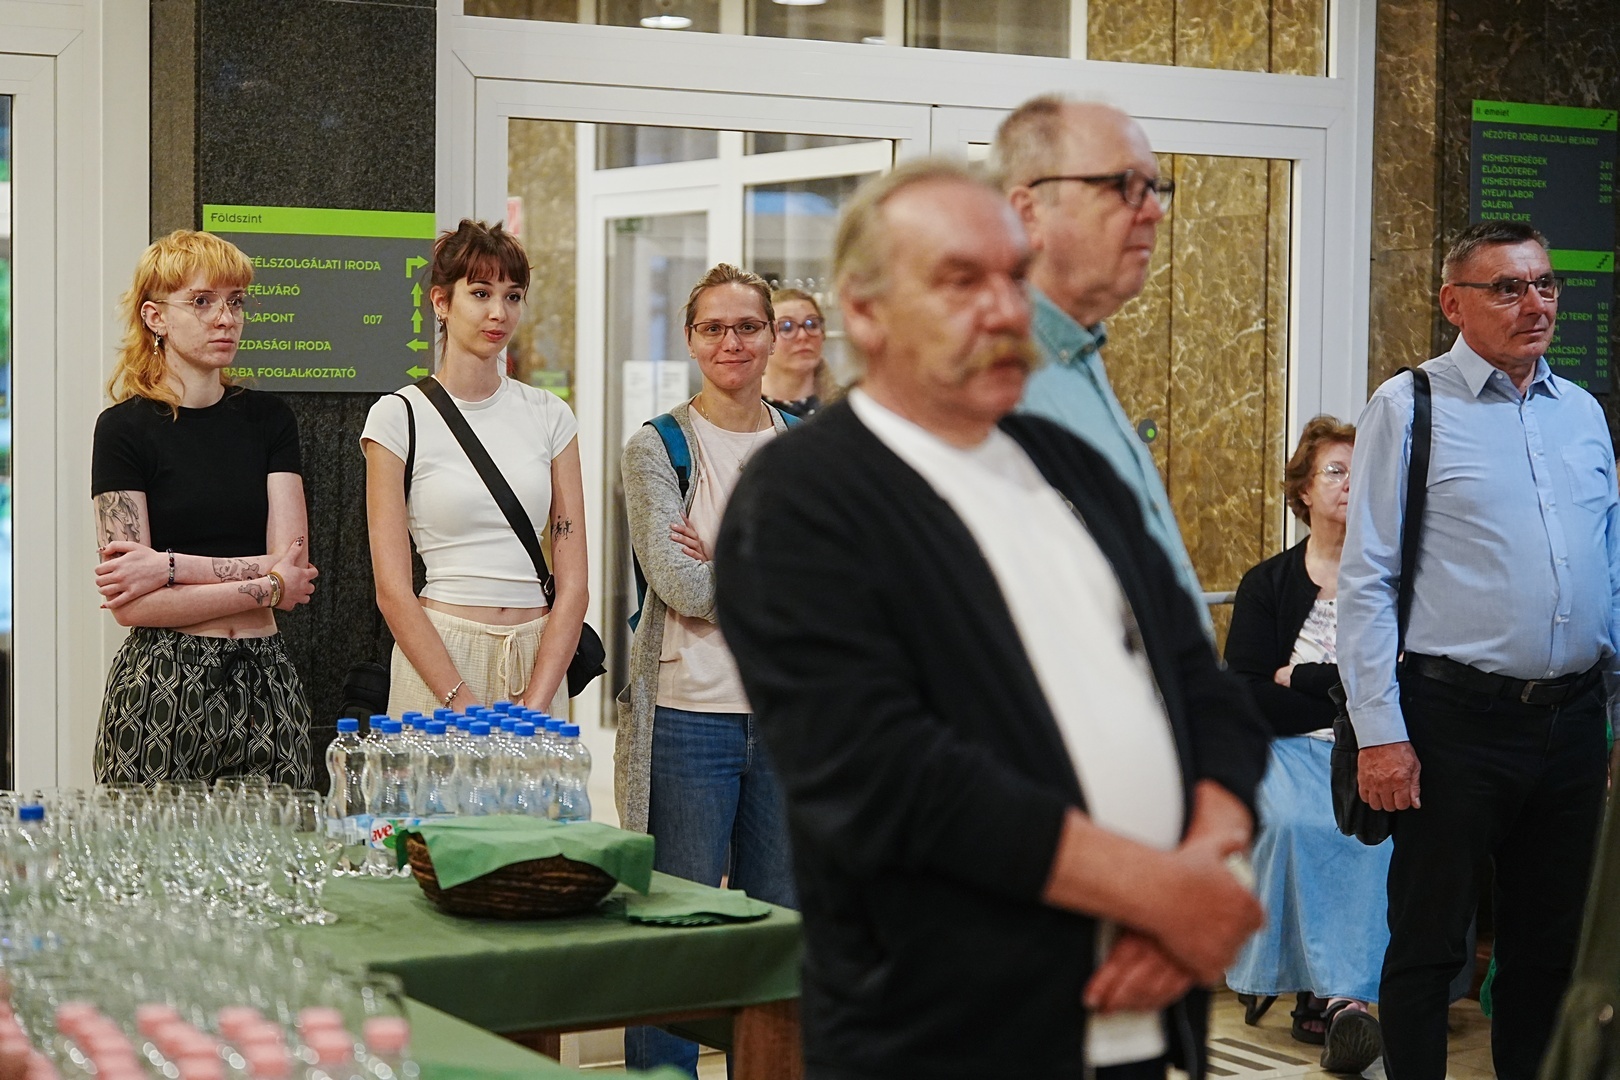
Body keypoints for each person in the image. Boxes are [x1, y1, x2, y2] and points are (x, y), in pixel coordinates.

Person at [713, 158, 1270, 1080]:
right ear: (866, 312)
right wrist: (1164, 895)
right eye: (961, 280)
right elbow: (889, 776)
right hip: (946, 1035)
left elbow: (1199, 684)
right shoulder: (801, 499)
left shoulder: (1069, 464)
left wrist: (1210, 868)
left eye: (1014, 276)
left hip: (1142, 1020)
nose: (1006, 309)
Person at [1338, 219, 1620, 1080]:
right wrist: (1381, 734)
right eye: (1507, 288)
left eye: (1544, 284)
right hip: (1453, 721)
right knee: (1429, 947)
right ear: (1452, 303)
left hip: (1573, 723)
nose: (1535, 304)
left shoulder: (1583, 413)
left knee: (1547, 950)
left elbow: (1608, 568)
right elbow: (1367, 579)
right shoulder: (1409, 406)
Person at [616, 263, 799, 1076]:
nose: (732, 342)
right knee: (675, 937)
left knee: (778, 936)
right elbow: (679, 584)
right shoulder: (657, 448)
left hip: (791, 724)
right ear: (691, 340)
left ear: (772, 336)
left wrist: (721, 557)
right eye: (714, 328)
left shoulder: (806, 446)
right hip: (688, 719)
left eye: (747, 326)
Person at [90, 229, 318, 785]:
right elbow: (132, 605)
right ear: (155, 317)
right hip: (161, 683)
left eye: (235, 302)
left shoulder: (269, 419)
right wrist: (267, 585)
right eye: (201, 301)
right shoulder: (123, 430)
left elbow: (293, 564)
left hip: (265, 677)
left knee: (279, 839)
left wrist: (168, 567)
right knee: (149, 842)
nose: (225, 318)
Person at [992, 95, 1210, 633]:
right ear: (1028, 212)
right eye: (1123, 186)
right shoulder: (990, 380)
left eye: (1154, 187)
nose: (1153, 211)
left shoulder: (1078, 354)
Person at [361, 220, 586, 716]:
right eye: (481, 293)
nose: (498, 312)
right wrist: (460, 702)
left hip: (537, 655)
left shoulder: (550, 414)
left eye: (513, 296)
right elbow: (392, 590)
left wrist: (538, 698)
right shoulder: (398, 416)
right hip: (440, 656)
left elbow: (574, 585)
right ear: (441, 302)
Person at [1222, 416, 1388, 1075]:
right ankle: (1313, 985)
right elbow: (1248, 695)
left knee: (1376, 834)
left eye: (1358, 471)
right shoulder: (1267, 584)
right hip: (1286, 748)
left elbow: (1401, 681)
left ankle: (1349, 1003)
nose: (1349, 483)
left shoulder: (1391, 581)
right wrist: (1348, 693)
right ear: (1303, 491)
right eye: (1335, 471)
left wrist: (1309, 679)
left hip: (1370, 749)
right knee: (1292, 821)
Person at [762, 287, 839, 418]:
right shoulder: (744, 405)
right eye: (786, 327)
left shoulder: (845, 404)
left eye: (812, 325)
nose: (803, 335)